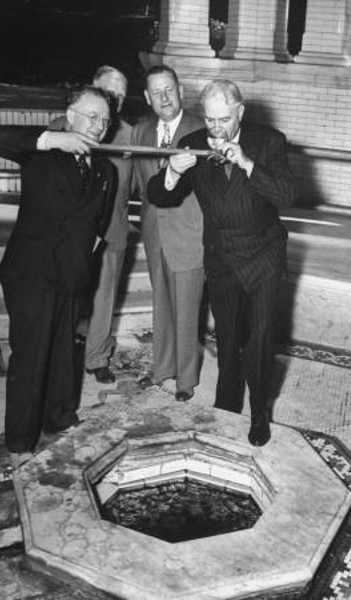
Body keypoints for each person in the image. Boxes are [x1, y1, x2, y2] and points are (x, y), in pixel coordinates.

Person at [148, 79, 297, 446]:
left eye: (224, 119)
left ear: (240, 112)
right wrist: (173, 172)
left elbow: (287, 195)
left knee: (261, 338)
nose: (216, 129)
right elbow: (159, 197)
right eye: (210, 120)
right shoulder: (194, 144)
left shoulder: (269, 141)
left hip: (263, 255)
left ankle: (259, 412)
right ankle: (226, 405)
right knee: (228, 341)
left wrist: (246, 163)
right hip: (221, 258)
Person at [0, 87, 117, 467]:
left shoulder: (106, 169)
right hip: (33, 273)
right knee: (31, 356)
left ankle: (59, 418)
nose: (99, 126)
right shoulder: (41, 152)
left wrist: (85, 259)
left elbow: (99, 223)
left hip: (73, 274)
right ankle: (20, 443)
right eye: (91, 117)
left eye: (105, 120)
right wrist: (53, 139)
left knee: (63, 353)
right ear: (70, 115)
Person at [131, 65, 205, 402]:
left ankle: (186, 379)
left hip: (189, 232)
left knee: (187, 308)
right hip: (154, 231)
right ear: (147, 98)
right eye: (156, 92)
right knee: (161, 302)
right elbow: (141, 184)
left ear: (181, 92)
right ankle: (162, 368)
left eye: (169, 90)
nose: (164, 97)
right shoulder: (140, 131)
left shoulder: (201, 129)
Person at [82, 66, 133, 384]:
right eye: (109, 93)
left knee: (104, 298)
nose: (114, 101)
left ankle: (97, 357)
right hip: (69, 232)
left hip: (112, 230)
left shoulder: (130, 135)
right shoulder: (63, 127)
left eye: (120, 96)